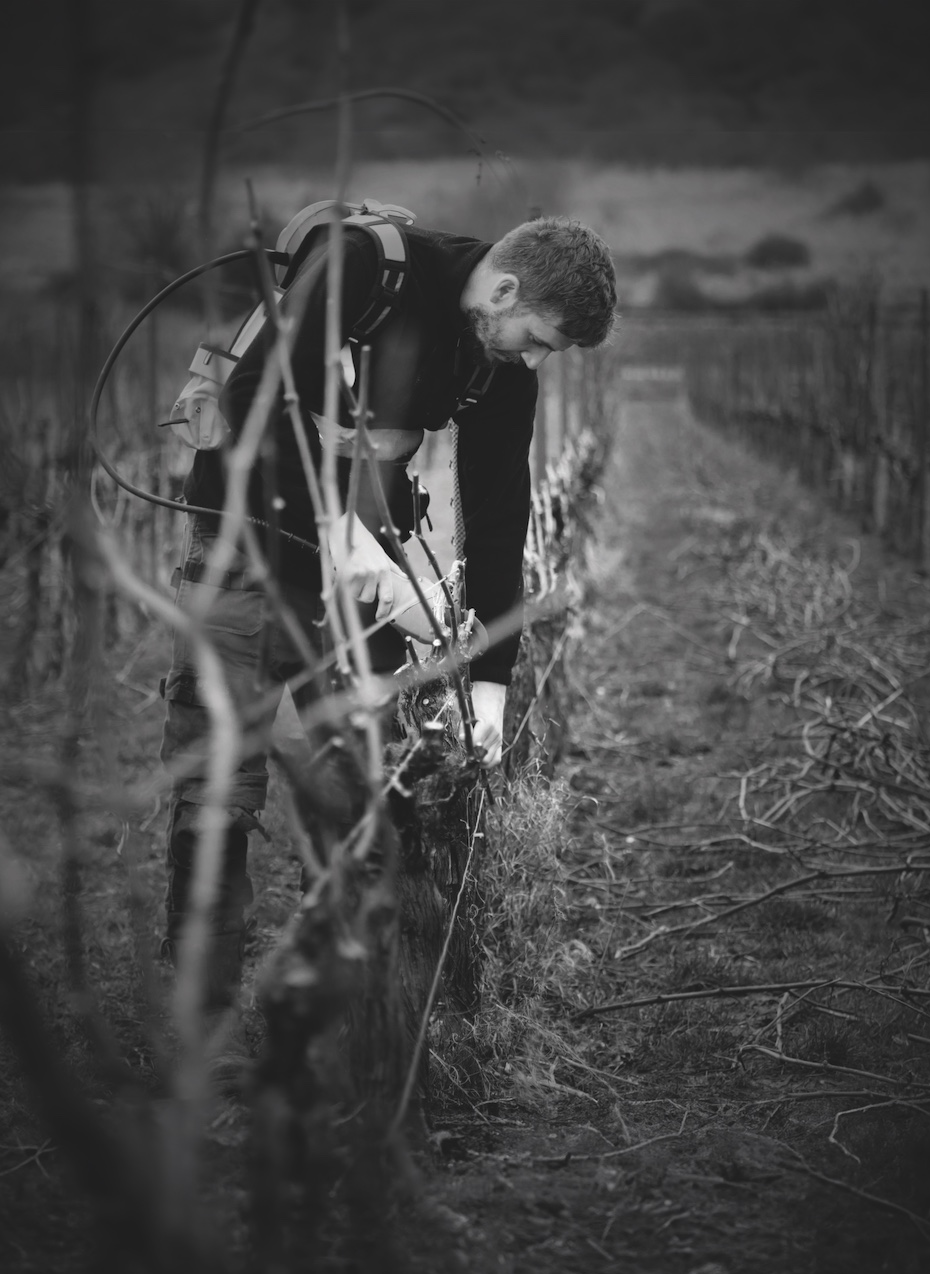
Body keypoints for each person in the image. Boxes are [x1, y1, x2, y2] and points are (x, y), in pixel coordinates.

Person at [158, 212, 617, 1063]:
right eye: (540, 340)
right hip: (244, 532)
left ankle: (329, 1006)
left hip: (359, 563)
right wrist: (337, 534)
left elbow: (496, 510)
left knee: (365, 776)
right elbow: (253, 397)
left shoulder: (496, 364)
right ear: (506, 289)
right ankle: (203, 1014)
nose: (534, 360)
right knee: (220, 774)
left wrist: (490, 680)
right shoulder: (367, 266)